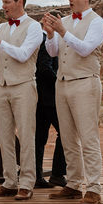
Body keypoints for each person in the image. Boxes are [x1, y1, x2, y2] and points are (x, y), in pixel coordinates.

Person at [42, 0, 103, 204]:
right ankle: (74, 183)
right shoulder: (65, 21)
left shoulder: (96, 22)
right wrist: (51, 35)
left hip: (85, 83)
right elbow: (53, 52)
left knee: (88, 137)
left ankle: (94, 187)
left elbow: (86, 49)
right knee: (68, 137)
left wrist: (62, 31)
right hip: (63, 83)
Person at [0, 0, 42, 200]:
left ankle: (26, 183)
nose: (3, 6)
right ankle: (9, 182)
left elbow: (23, 54)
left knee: (26, 136)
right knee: (4, 136)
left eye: (6, 2)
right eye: (3, 2)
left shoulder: (34, 27)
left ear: (19, 2)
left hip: (24, 86)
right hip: (2, 86)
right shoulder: (1, 27)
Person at [34, 30, 66, 188]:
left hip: (40, 98)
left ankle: (36, 176)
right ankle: (58, 174)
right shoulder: (46, 40)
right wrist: (61, 81)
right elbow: (44, 68)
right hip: (50, 97)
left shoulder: (44, 39)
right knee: (66, 133)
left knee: (39, 137)